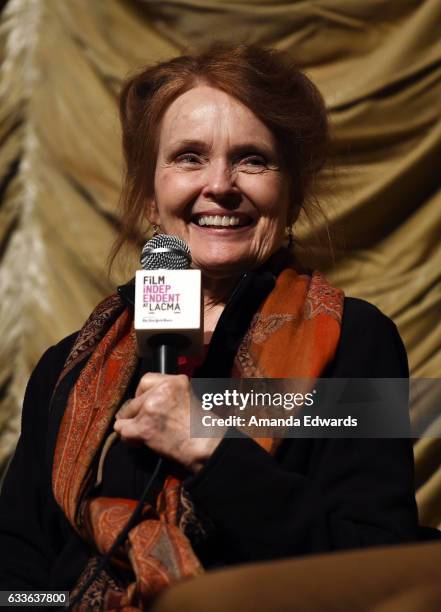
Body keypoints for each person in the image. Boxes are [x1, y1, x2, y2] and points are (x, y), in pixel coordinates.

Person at [0, 44, 418, 609]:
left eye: (252, 160)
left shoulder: (357, 340)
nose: (219, 184)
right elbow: (17, 573)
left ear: (290, 196)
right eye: (189, 158)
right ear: (151, 196)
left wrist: (213, 449)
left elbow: (378, 569)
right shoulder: (67, 364)